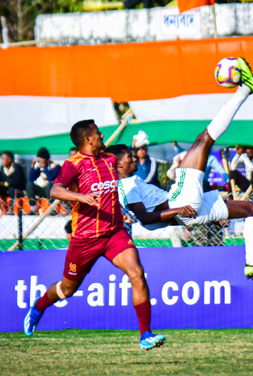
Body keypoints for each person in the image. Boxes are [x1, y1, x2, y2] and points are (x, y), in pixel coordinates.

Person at [108, 59, 253, 283]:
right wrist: (178, 209)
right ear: (118, 165)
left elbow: (149, 222)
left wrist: (191, 216)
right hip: (181, 202)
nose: (133, 158)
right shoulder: (126, 185)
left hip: (186, 213)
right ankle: (246, 89)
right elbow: (145, 218)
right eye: (128, 156)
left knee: (251, 209)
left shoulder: (126, 185)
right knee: (204, 139)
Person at [23, 120, 166, 351]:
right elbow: (55, 189)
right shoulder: (73, 164)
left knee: (137, 272)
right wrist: (80, 197)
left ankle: (145, 334)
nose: (102, 135)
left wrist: (135, 147)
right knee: (67, 290)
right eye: (98, 132)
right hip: (85, 239)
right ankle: (38, 306)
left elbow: (125, 164)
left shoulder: (110, 159)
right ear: (88, 139)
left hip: (114, 233)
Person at [26, 147, 61, 211]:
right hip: (41, 189)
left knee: (50, 184)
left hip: (51, 190)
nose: (40, 162)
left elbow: (51, 178)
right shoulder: (39, 167)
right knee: (29, 184)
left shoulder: (55, 166)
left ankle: (52, 209)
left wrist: (45, 168)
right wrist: (32, 166)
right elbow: (31, 179)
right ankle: (32, 208)